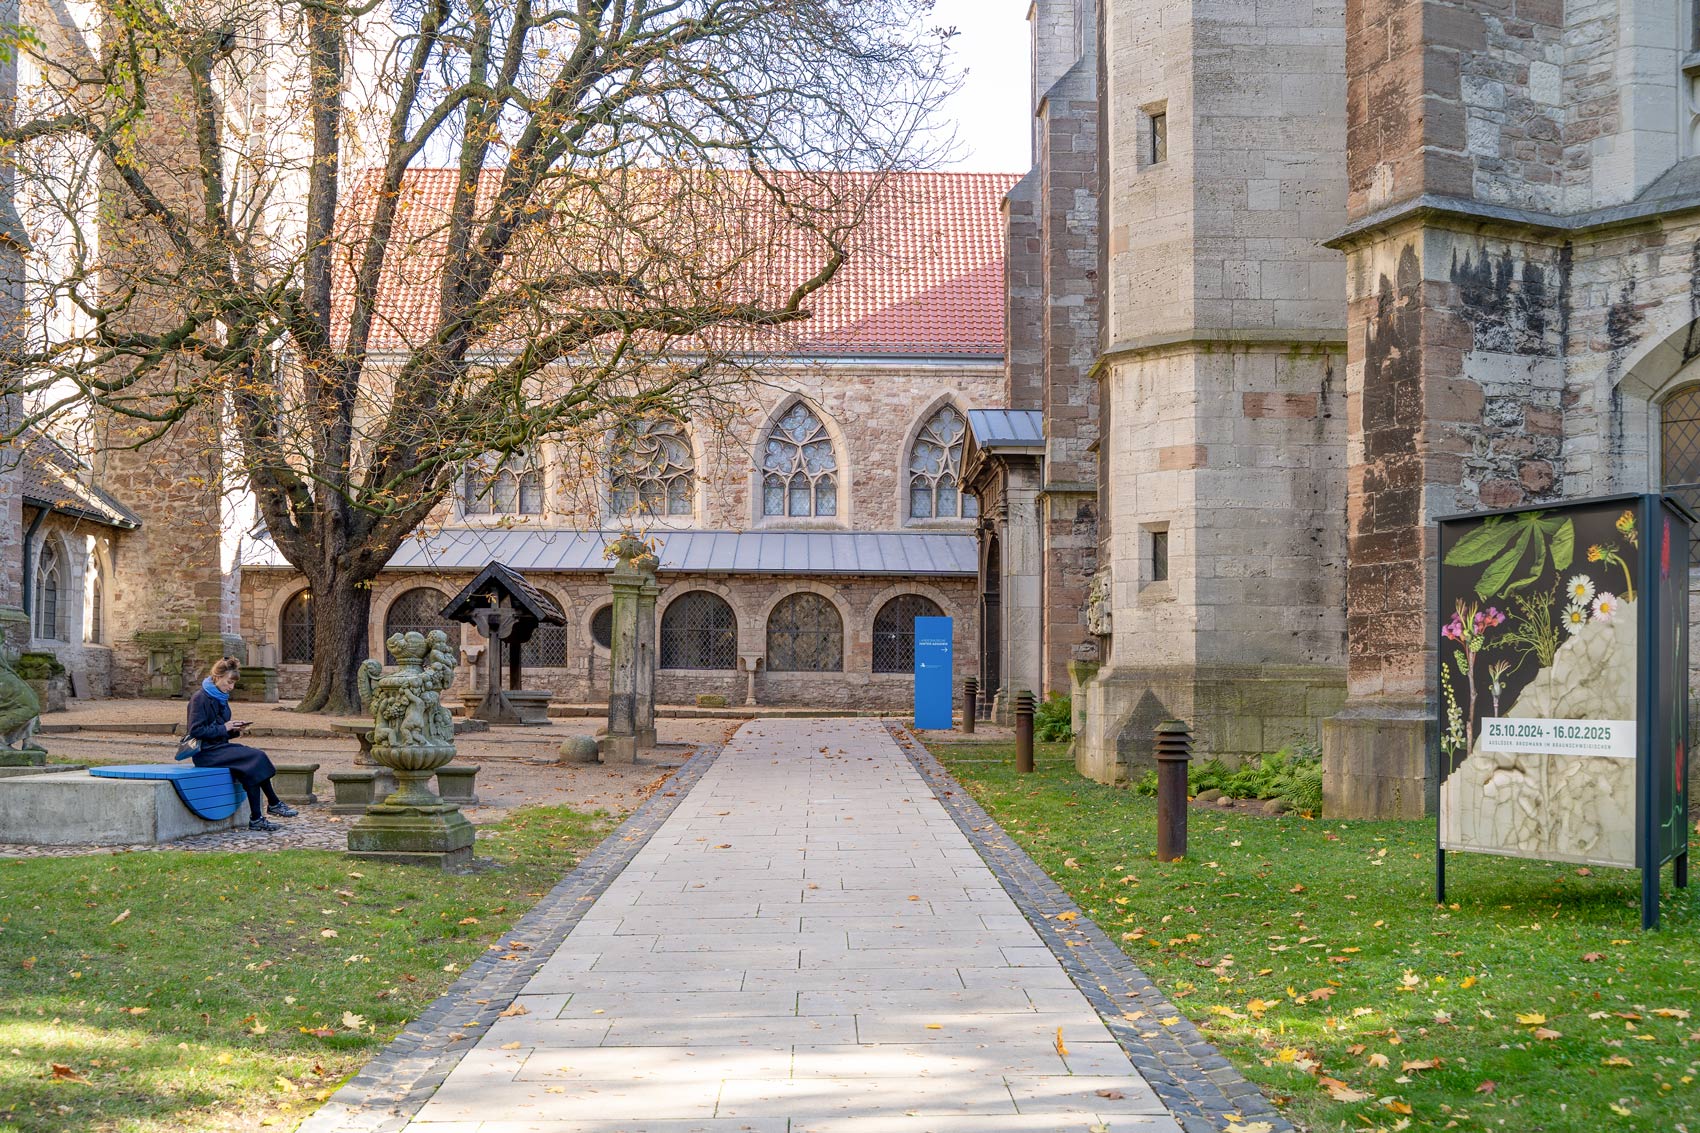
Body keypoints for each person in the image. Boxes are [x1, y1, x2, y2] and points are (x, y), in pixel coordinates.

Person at [187, 658, 297, 832]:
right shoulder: (200, 698)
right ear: (217, 677)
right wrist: (225, 727)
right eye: (229, 682)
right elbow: (196, 731)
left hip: (219, 748)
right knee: (256, 756)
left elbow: (221, 731)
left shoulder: (220, 698)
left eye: (233, 684)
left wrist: (235, 729)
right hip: (206, 753)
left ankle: (257, 818)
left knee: (250, 767)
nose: (231, 687)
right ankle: (274, 803)